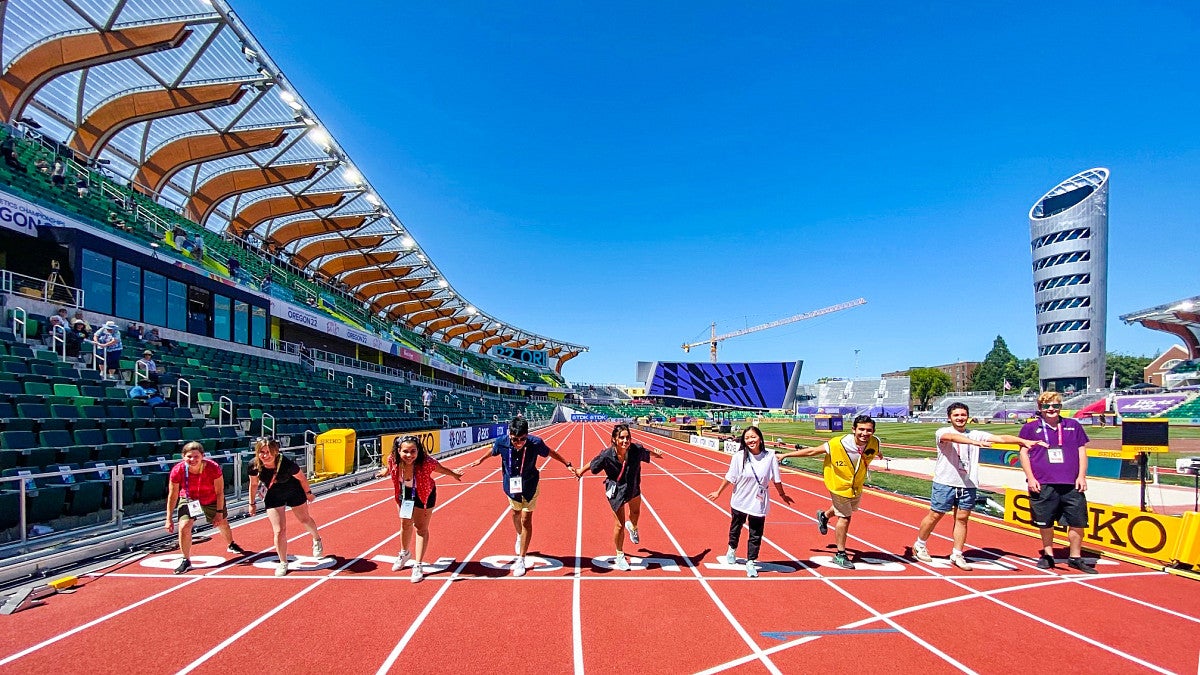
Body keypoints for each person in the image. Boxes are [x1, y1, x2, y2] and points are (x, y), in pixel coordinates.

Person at [911, 402, 1045, 570]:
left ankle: (957, 554)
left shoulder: (976, 433)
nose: (960, 418)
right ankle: (920, 545)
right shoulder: (943, 432)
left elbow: (1001, 438)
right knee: (935, 515)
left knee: (962, 519)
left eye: (963, 415)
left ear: (968, 416)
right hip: (945, 482)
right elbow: (951, 438)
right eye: (956, 415)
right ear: (949, 418)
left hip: (969, 484)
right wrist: (973, 443)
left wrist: (1022, 441)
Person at [461, 417, 581, 576]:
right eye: (515, 439)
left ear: (527, 435)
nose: (518, 443)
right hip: (511, 486)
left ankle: (521, 559)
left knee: (526, 519)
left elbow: (550, 452)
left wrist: (567, 464)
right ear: (509, 434)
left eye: (522, 439)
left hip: (530, 485)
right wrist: (480, 460)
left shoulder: (535, 443)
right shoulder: (501, 442)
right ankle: (519, 536)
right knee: (515, 514)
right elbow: (493, 450)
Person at [777, 414, 883, 570]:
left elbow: (875, 450)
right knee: (845, 517)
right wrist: (785, 454)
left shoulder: (874, 442)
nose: (864, 433)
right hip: (838, 484)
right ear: (853, 429)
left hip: (856, 485)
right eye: (861, 429)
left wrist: (879, 454)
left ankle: (824, 516)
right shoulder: (837, 444)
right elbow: (812, 451)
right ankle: (840, 554)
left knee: (845, 509)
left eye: (869, 430)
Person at [1018, 391, 1098, 574]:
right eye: (1046, 406)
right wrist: (1030, 477)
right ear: (1040, 408)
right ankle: (1048, 554)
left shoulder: (1073, 425)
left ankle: (1075, 557)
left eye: (1055, 405)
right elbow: (1023, 454)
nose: (1051, 409)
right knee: (1045, 522)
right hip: (1043, 482)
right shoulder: (1030, 428)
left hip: (1071, 482)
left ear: (1061, 407)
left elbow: (1081, 452)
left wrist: (1081, 476)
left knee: (1077, 521)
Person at [706, 426, 794, 577]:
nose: (750, 440)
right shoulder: (739, 456)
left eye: (753, 437)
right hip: (740, 499)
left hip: (759, 502)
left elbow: (776, 479)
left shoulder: (770, 456)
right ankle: (732, 549)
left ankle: (751, 561)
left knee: (756, 533)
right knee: (736, 528)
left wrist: (782, 494)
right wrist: (718, 492)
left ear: (760, 438)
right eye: (747, 438)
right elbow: (730, 477)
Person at [374, 434, 463, 582]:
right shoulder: (393, 460)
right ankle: (404, 553)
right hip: (404, 494)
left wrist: (454, 474)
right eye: (405, 452)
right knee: (405, 523)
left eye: (413, 451)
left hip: (424, 494)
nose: (409, 455)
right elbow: (388, 467)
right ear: (398, 451)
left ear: (418, 451)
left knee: (421, 528)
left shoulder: (426, 462)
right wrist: (385, 472)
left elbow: (441, 469)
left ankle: (418, 564)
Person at [586, 424, 664, 571]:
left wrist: (656, 454)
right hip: (616, 491)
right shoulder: (607, 455)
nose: (625, 440)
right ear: (614, 439)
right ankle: (619, 554)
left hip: (633, 487)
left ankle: (633, 527)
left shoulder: (636, 450)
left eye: (627, 437)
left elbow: (646, 452)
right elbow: (593, 464)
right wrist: (580, 471)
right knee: (619, 525)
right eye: (621, 437)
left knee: (635, 514)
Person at [165, 442, 246, 574]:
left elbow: (220, 492)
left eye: (196, 456)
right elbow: (172, 494)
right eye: (189, 456)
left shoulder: (213, 468)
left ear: (202, 456)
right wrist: (168, 518)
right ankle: (186, 559)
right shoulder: (178, 470)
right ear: (183, 457)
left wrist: (219, 513)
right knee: (184, 526)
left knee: (223, 523)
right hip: (189, 498)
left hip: (211, 498)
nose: (192, 460)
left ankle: (231, 543)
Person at [247, 437, 324, 577]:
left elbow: (302, 478)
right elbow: (253, 485)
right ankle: (283, 562)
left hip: (293, 491)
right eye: (262, 452)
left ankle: (317, 539)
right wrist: (251, 504)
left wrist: (308, 493)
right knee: (279, 530)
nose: (265, 455)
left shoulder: (287, 464)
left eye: (268, 452)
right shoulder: (254, 465)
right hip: (273, 495)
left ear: (276, 452)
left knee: (305, 520)